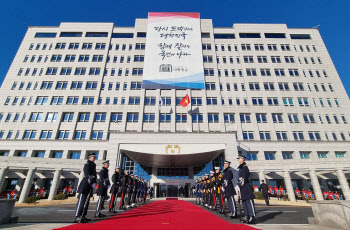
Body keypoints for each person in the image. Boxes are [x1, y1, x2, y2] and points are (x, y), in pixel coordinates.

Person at [74, 152, 97, 223]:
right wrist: (90, 180)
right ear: (90, 157)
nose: (94, 158)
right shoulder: (87, 164)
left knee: (86, 202)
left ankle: (83, 216)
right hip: (85, 184)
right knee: (82, 201)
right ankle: (77, 216)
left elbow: (94, 175)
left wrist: (94, 182)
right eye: (93, 157)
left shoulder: (93, 165)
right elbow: (87, 174)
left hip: (90, 185)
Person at [237, 155, 256, 224]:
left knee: (249, 202)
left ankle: (252, 217)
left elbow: (244, 178)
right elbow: (239, 178)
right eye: (238, 159)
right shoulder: (240, 168)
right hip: (242, 188)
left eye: (239, 159)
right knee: (244, 202)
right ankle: (247, 216)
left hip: (246, 187)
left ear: (243, 159)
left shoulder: (245, 168)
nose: (238, 160)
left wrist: (239, 184)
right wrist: (238, 185)